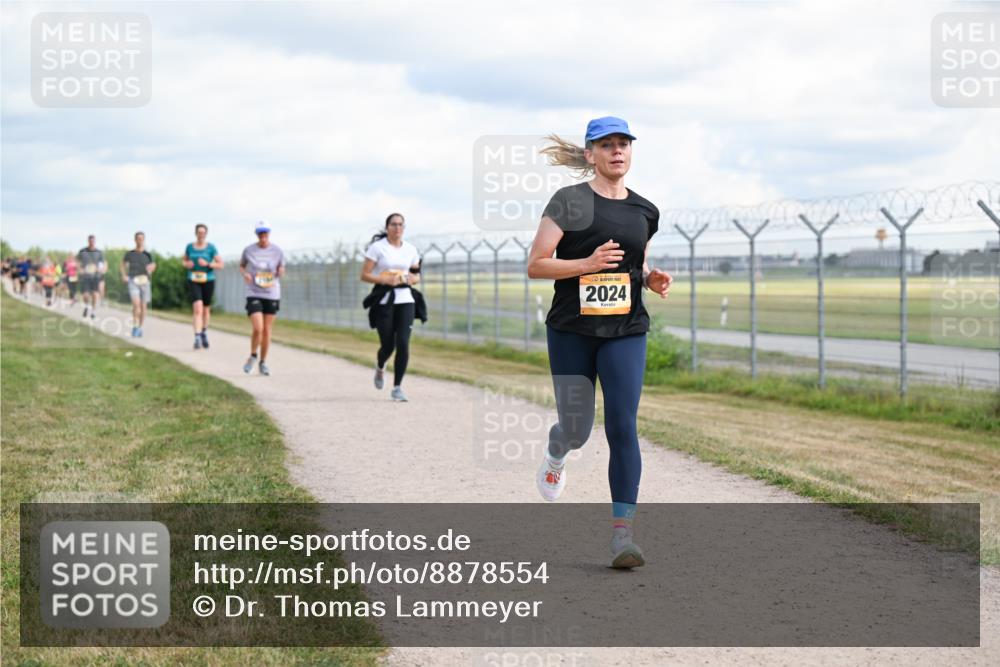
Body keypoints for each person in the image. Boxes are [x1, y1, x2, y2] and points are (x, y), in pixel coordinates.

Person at [527, 117, 672, 569]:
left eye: (623, 144)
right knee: (578, 428)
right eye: (606, 145)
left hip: (626, 329)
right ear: (590, 154)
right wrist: (586, 263)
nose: (617, 151)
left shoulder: (645, 211)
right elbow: (537, 264)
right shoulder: (569, 202)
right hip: (572, 329)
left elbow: (635, 264)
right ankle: (558, 449)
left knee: (623, 427)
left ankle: (622, 537)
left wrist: (651, 278)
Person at [360, 213, 425, 402]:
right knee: (388, 345)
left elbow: (416, 276)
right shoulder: (377, 248)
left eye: (400, 225)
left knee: (403, 343)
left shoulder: (411, 250)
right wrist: (384, 279)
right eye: (393, 224)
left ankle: (397, 387)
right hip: (384, 300)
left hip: (405, 299)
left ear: (404, 228)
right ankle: (380, 366)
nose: (397, 228)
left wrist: (406, 278)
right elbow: (365, 275)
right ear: (387, 227)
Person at [239, 222, 284, 376]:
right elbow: (241, 266)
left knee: (267, 330)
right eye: (260, 233)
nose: (263, 236)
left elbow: (281, 268)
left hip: (271, 292)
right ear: (257, 234)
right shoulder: (249, 250)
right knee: (258, 327)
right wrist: (244, 273)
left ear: (269, 234)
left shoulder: (277, 251)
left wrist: (281, 270)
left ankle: (263, 362)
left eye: (265, 233)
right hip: (253, 291)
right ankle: (252, 355)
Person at [182, 224, 222, 349]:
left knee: (205, 309)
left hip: (208, 279)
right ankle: (197, 337)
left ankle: (204, 331)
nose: (201, 234)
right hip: (193, 279)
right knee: (197, 308)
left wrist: (208, 264)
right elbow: (184, 261)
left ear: (206, 234)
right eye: (199, 232)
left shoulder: (211, 248)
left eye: (203, 232)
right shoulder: (189, 247)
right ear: (196, 233)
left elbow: (220, 264)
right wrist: (187, 264)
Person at [121, 231, 157, 337]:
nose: (140, 241)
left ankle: (140, 327)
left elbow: (153, 266)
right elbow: (122, 265)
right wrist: (124, 275)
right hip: (133, 281)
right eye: (138, 239)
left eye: (142, 239)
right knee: (136, 304)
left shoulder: (148, 254)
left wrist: (152, 268)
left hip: (145, 281)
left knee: (143, 306)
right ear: (135, 240)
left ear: (144, 240)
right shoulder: (130, 253)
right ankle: (135, 326)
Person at [77, 235, 105, 319]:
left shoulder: (99, 252)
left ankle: (93, 311)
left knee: (95, 294)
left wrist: (102, 269)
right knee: (85, 295)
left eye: (93, 241)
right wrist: (80, 269)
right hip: (85, 276)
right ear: (88, 241)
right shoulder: (82, 251)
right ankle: (86, 306)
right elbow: (77, 262)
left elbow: (103, 263)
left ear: (95, 241)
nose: (91, 243)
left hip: (96, 276)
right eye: (90, 241)